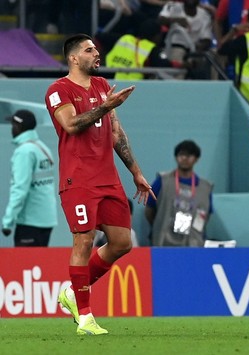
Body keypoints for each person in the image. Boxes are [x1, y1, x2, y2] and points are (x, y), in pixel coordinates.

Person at [45, 33, 154, 335]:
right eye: (89, 50)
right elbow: (70, 124)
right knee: (84, 240)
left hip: (108, 178)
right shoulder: (58, 90)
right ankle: (86, 317)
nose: (96, 53)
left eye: (95, 49)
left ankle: (72, 293)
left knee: (122, 242)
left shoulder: (103, 86)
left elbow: (116, 133)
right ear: (73, 58)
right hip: (78, 178)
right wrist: (106, 107)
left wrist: (135, 171)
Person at [2, 109, 57, 247]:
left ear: (19, 127)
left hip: (30, 221)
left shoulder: (24, 152)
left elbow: (20, 189)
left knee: (26, 266)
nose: (12, 129)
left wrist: (8, 221)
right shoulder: (42, 148)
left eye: (13, 125)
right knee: (40, 264)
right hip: (47, 220)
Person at [145, 139, 213, 247]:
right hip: (163, 243)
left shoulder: (205, 188)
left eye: (189, 155)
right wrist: (160, 225)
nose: (185, 158)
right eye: (181, 154)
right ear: (176, 157)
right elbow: (149, 209)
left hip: (193, 244)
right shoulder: (162, 181)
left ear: (197, 159)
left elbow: (206, 215)